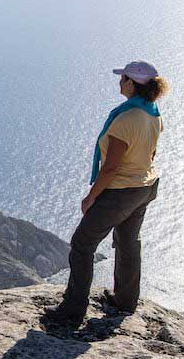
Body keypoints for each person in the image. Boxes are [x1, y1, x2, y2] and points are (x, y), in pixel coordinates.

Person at [43, 60, 169, 325]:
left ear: (132, 84)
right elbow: (152, 152)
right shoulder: (153, 113)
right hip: (145, 186)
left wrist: (91, 198)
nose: (119, 82)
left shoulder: (126, 119)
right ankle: (125, 301)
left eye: (122, 78)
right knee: (128, 242)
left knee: (82, 244)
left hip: (121, 191)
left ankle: (73, 309)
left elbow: (111, 167)